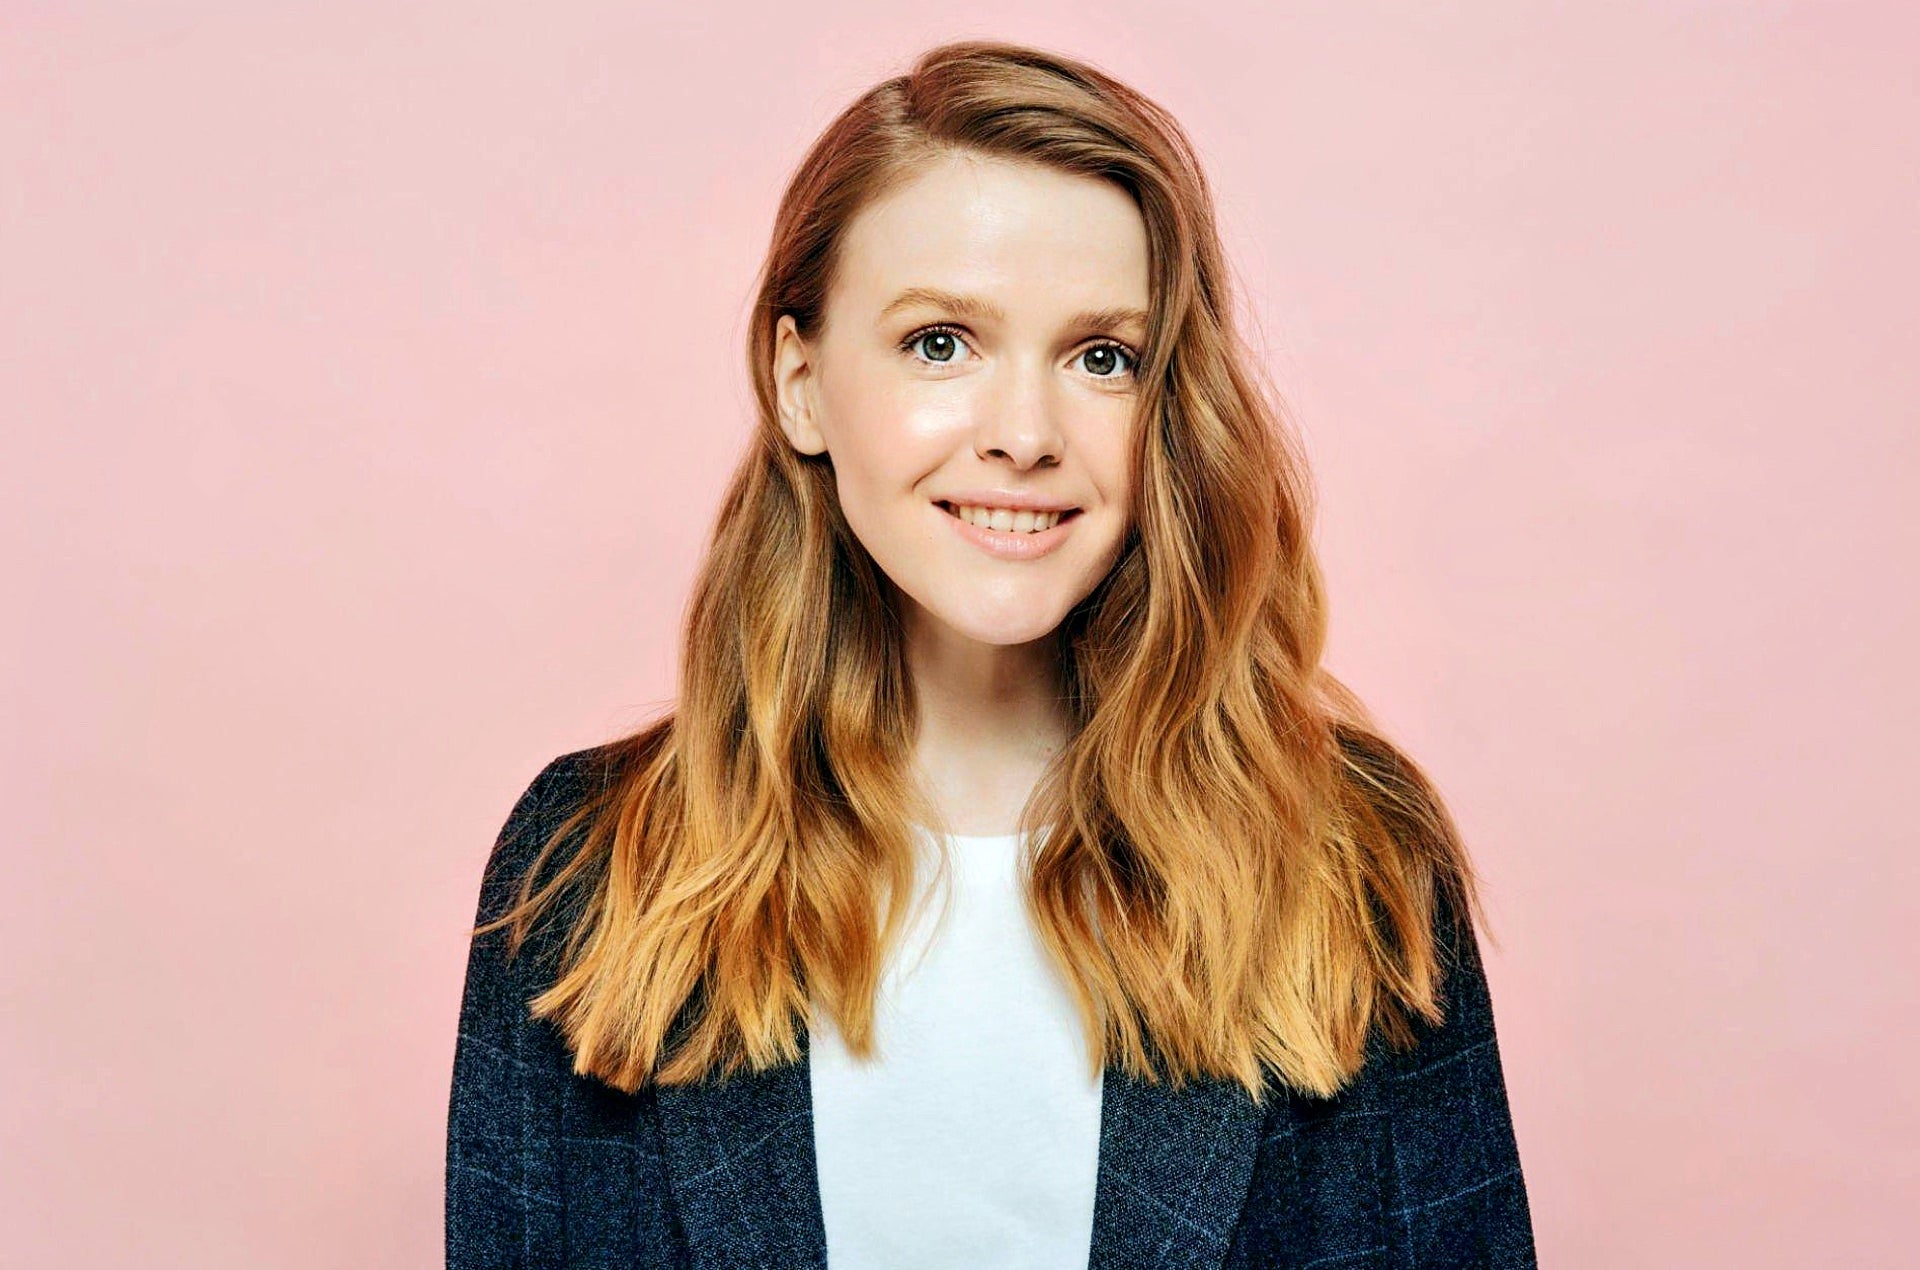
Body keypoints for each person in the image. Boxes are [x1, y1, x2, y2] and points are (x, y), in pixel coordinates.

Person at [446, 37, 1536, 1270]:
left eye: (1101, 358)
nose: (1024, 434)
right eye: (940, 342)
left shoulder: (1354, 853)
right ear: (800, 382)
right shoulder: (588, 867)